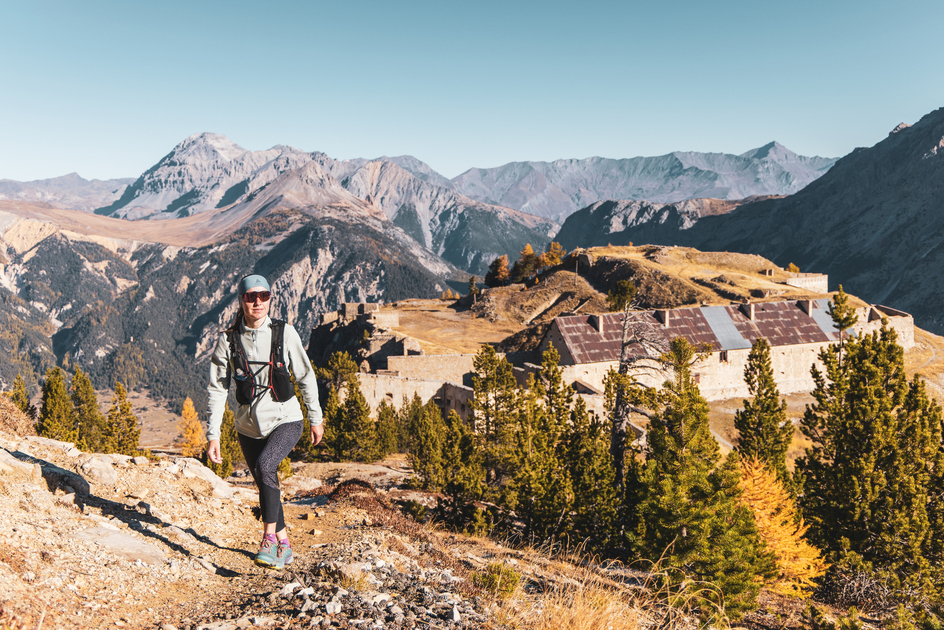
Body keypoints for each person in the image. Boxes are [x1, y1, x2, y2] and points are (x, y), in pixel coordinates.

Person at [206, 274, 323, 569]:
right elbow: (217, 389)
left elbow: (306, 376)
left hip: (287, 419)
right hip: (247, 428)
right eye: (250, 296)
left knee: (265, 467)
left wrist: (315, 417)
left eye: (264, 295)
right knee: (265, 482)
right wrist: (213, 434)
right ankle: (285, 546)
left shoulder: (285, 333)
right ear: (241, 300)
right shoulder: (227, 341)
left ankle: (268, 540)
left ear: (270, 298)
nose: (257, 302)